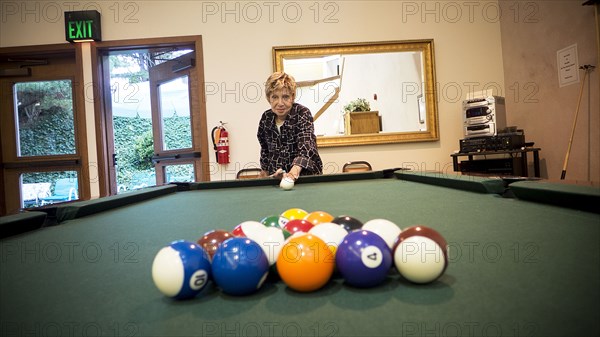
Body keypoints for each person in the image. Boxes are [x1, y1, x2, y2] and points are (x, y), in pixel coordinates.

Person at [257, 72, 323, 181]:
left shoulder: (302, 113)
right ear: (269, 98)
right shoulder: (266, 118)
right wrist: (265, 176)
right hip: (277, 180)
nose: (280, 103)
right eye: (275, 97)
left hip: (306, 179)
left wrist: (293, 173)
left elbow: (306, 146)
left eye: (285, 97)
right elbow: (265, 151)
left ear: (292, 97)